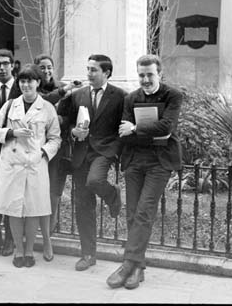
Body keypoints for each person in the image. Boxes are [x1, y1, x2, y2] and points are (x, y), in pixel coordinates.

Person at [107, 54, 183, 290]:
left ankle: (127, 264)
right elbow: (123, 129)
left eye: (150, 74)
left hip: (159, 162)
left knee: (144, 212)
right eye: (141, 75)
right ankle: (138, 267)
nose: (146, 79)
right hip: (134, 160)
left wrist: (137, 128)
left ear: (159, 73)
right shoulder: (131, 98)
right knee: (132, 213)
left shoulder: (173, 95)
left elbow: (167, 127)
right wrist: (142, 131)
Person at [0, 64, 61, 268]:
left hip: (36, 164)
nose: (26, 85)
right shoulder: (11, 105)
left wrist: (43, 153)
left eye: (30, 81)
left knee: (33, 210)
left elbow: (55, 138)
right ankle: (18, 251)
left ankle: (29, 251)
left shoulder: (47, 108)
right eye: (22, 81)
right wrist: (12, 133)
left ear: (38, 83)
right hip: (12, 164)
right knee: (13, 209)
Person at [63, 54, 127, 271]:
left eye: (94, 70)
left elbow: (124, 125)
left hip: (104, 151)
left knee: (95, 181)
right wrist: (73, 131)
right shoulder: (78, 95)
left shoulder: (119, 96)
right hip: (81, 152)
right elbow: (65, 118)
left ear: (106, 73)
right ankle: (88, 254)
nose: (89, 73)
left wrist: (115, 149)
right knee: (83, 205)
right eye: (88, 69)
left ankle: (112, 194)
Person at [33, 54, 77, 261]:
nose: (47, 71)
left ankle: (48, 235)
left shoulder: (64, 89)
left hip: (59, 148)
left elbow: (72, 115)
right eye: (42, 68)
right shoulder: (33, 90)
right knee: (36, 192)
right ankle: (35, 234)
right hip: (36, 148)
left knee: (54, 193)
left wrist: (61, 119)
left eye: (49, 67)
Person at [0, 48, 22, 257]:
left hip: (14, 151)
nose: (1, 68)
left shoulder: (22, 86)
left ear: (12, 65)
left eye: (5, 63)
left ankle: (10, 239)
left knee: (11, 196)